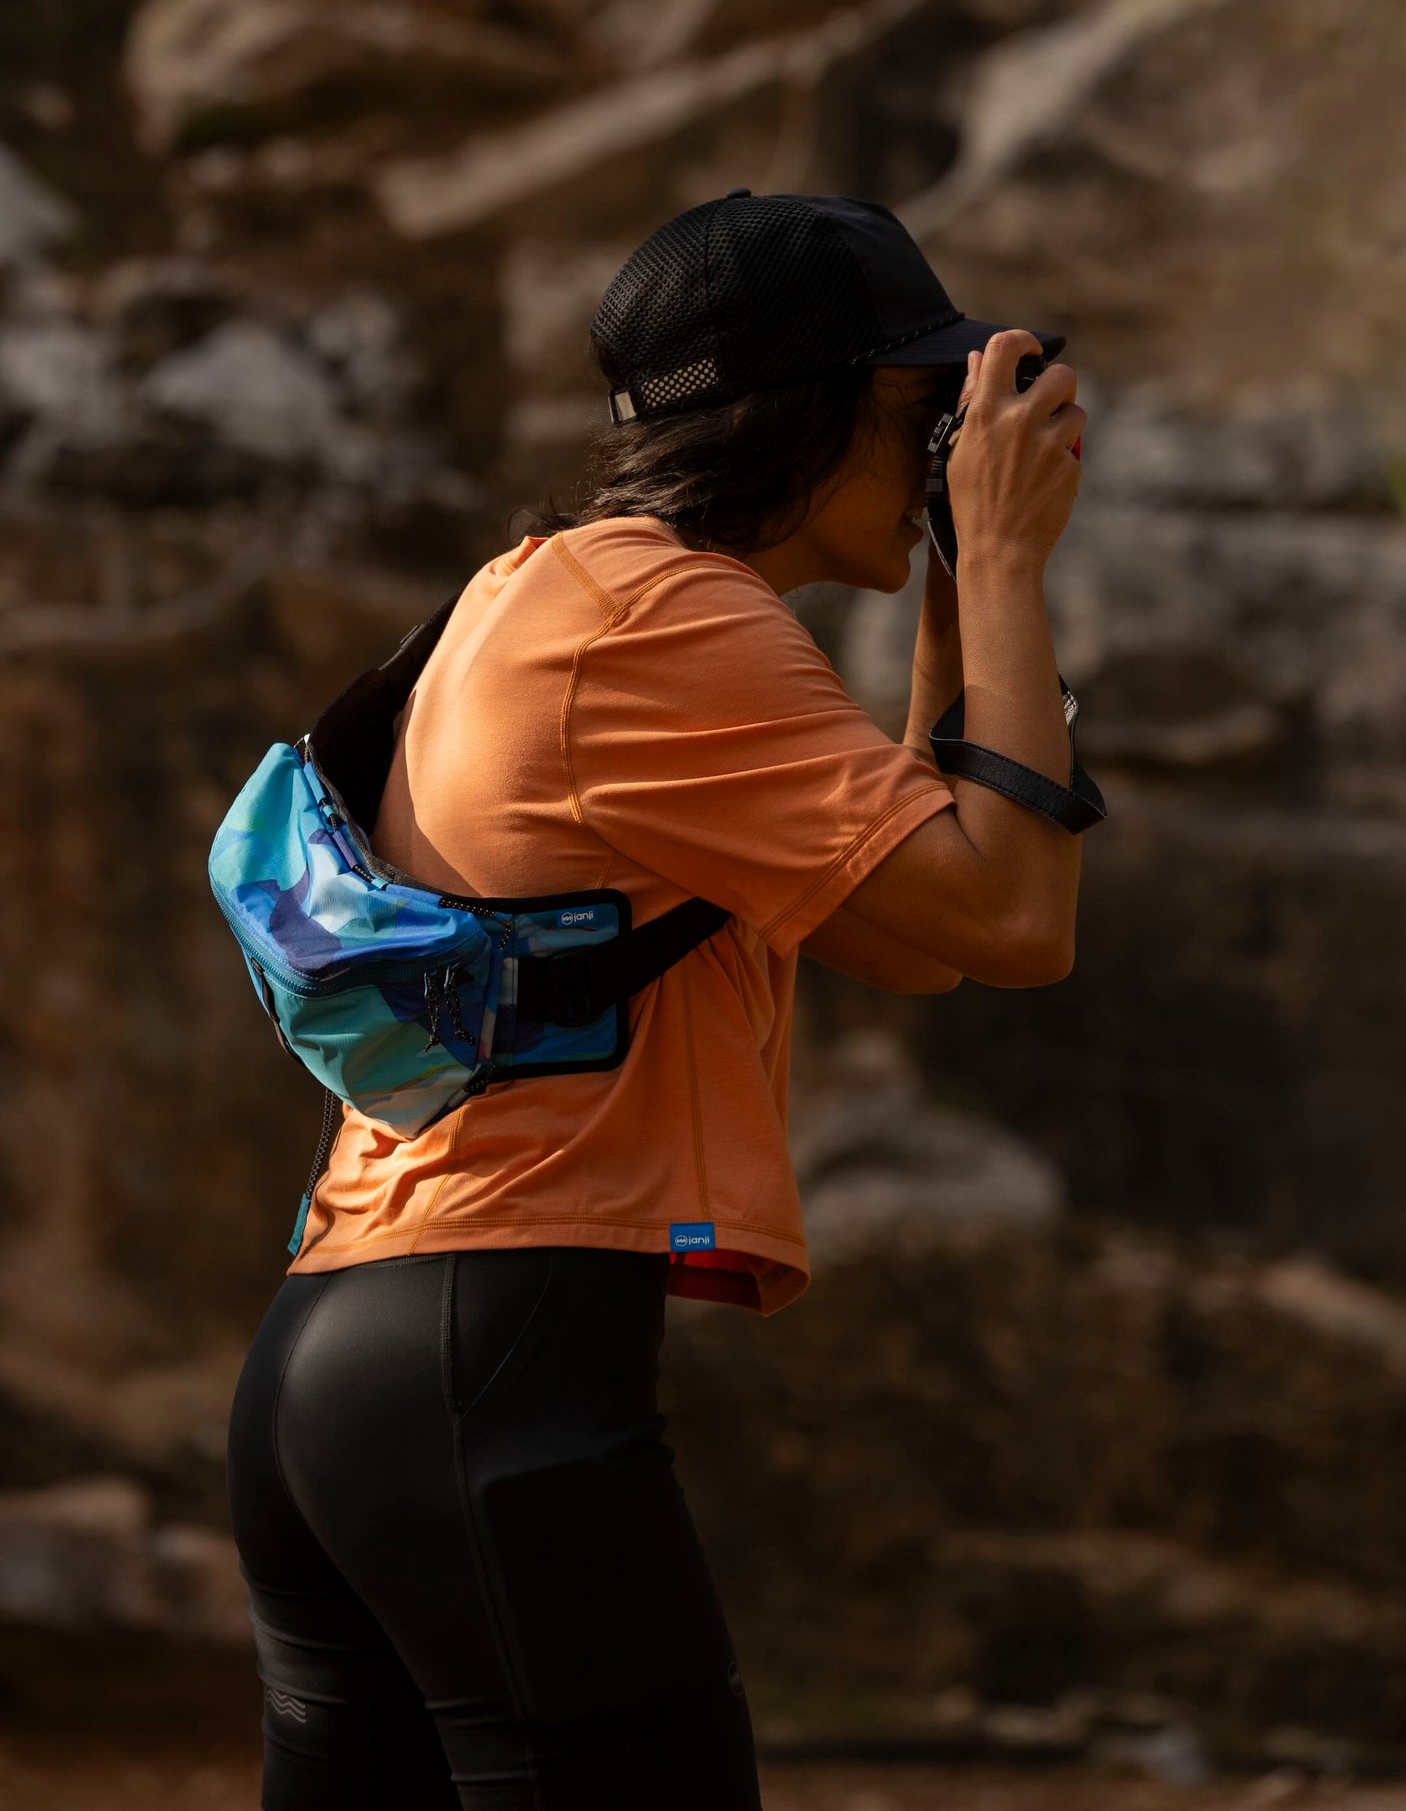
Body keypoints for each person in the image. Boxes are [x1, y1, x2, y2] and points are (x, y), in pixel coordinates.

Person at [224, 192, 1089, 1809]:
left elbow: (918, 935)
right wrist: (1022, 564)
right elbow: (1019, 915)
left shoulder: (552, 593)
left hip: (345, 1355)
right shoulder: (667, 622)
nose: (936, 455)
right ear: (806, 406)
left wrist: (971, 591)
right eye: (918, 410)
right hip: (491, 1360)